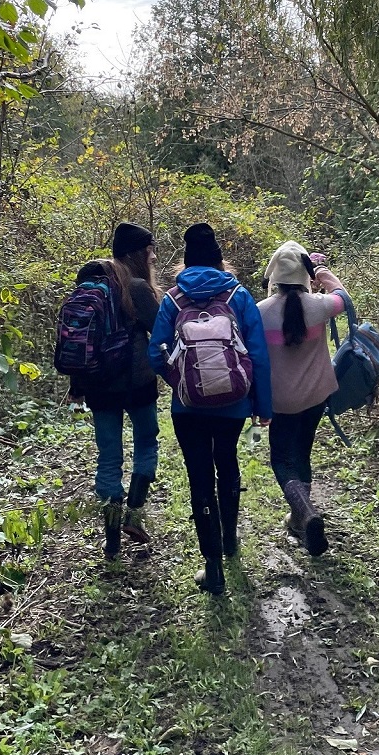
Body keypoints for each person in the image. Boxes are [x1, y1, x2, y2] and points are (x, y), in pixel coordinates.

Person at [148, 223, 272, 595]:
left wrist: (180, 381)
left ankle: (212, 565)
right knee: (227, 463)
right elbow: (260, 355)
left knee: (199, 477)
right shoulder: (238, 295)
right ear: (221, 261)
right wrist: (261, 405)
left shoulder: (172, 299)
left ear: (185, 263)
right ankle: (230, 538)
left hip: (187, 409)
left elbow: (155, 352)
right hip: (233, 405)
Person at [69, 222, 162, 560]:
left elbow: (83, 339)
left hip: (99, 386)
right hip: (138, 382)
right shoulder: (136, 287)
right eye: (149, 249)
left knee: (108, 458)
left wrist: (77, 386)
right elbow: (162, 329)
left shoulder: (88, 283)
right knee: (146, 443)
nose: (152, 256)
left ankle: (111, 543)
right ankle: (135, 514)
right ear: (136, 252)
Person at [257, 240, 347, 557]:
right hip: (315, 397)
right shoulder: (320, 305)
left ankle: (304, 514)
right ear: (303, 276)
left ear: (274, 278)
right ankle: (302, 514)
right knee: (302, 453)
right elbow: (344, 296)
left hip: (280, 401)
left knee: (281, 458)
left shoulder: (259, 313)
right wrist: (321, 269)